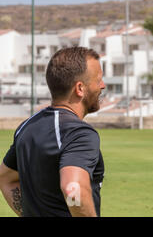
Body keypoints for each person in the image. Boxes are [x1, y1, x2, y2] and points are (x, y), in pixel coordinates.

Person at [0, 47, 105, 217]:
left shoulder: (27, 126)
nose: (103, 85)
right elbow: (72, 189)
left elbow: (6, 178)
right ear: (80, 88)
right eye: (98, 80)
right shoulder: (79, 133)